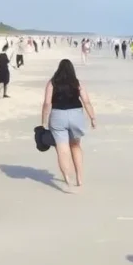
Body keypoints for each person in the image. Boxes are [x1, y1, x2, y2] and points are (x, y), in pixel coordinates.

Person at [41, 60, 97, 188]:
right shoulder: (77, 83)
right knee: (76, 146)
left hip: (57, 116)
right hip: (75, 115)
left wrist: (44, 121)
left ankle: (67, 179)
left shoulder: (52, 83)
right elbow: (86, 102)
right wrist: (92, 118)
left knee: (62, 150)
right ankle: (79, 179)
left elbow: (47, 103)